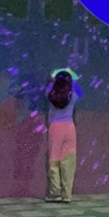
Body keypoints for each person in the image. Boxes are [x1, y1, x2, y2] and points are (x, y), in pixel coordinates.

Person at [45, 69, 83, 203]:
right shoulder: (73, 95)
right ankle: (67, 194)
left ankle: (55, 193)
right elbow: (80, 90)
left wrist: (53, 79)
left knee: (54, 160)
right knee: (68, 161)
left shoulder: (49, 92)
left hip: (55, 127)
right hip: (70, 127)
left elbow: (50, 83)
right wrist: (73, 79)